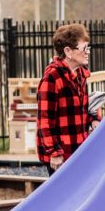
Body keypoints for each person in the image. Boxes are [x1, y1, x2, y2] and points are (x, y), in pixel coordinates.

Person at [36, 22, 99, 171]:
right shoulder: (52, 78)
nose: (87, 52)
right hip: (61, 153)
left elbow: (84, 106)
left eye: (87, 48)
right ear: (68, 51)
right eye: (84, 48)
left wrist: (95, 118)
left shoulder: (81, 75)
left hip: (79, 148)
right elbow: (45, 120)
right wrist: (54, 152)